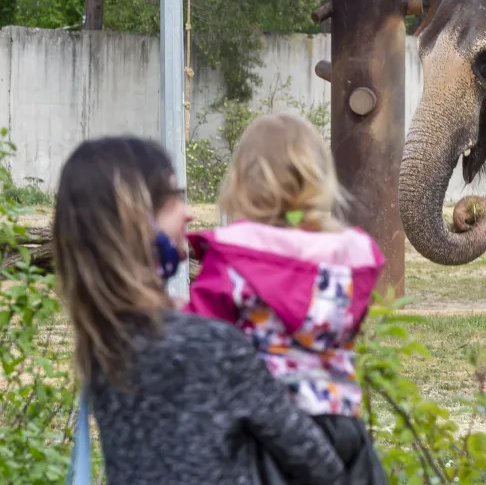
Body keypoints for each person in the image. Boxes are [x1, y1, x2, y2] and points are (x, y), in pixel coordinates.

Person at [53, 135, 346, 485]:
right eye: (175, 199)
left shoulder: (103, 345)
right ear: (138, 220)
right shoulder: (209, 344)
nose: (189, 212)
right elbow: (320, 465)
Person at [183, 113, 389, 484]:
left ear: (242, 182)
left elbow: (198, 337)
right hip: (343, 428)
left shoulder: (236, 259)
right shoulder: (344, 261)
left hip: (269, 432)